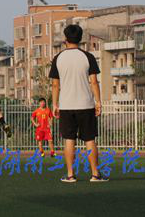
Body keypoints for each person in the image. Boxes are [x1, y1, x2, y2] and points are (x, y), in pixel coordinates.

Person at [49, 24, 107, 183]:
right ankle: (95, 174)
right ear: (80, 38)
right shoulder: (88, 57)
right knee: (90, 140)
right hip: (86, 105)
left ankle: (70, 175)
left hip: (66, 105)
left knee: (69, 140)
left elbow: (55, 84)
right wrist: (98, 102)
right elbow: (93, 82)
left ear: (65, 39)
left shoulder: (58, 58)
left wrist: (55, 104)